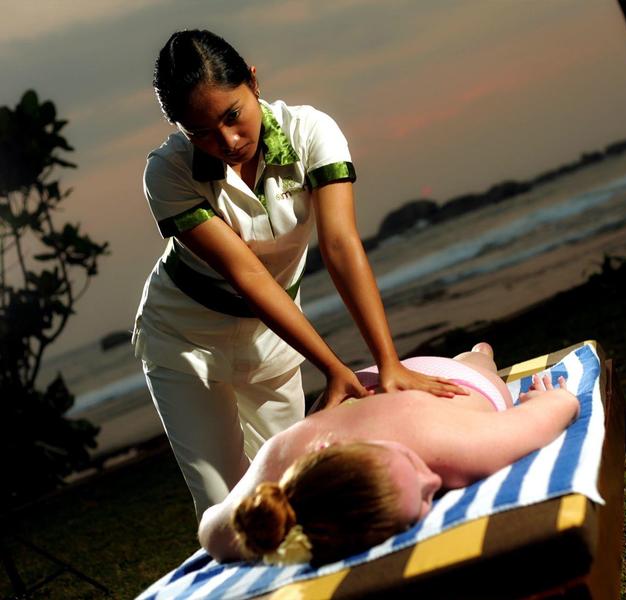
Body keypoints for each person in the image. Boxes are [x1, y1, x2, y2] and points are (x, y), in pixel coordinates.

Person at [132, 29, 464, 520]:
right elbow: (247, 274)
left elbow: (340, 245)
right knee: (228, 506)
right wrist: (333, 368)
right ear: (181, 129)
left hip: (273, 338)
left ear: (253, 82)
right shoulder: (167, 171)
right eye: (201, 131)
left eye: (232, 116)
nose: (226, 141)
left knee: (295, 488)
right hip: (185, 343)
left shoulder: (310, 132)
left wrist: (387, 362)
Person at [198, 343, 580, 566]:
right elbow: (214, 529)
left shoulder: (456, 449)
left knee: (478, 362)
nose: (435, 480)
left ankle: (480, 354)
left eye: (418, 469)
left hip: (450, 382)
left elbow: (561, 403)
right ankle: (476, 352)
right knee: (471, 355)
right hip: (360, 387)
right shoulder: (283, 455)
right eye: (431, 494)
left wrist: (542, 399)